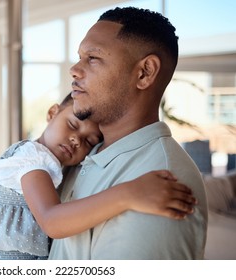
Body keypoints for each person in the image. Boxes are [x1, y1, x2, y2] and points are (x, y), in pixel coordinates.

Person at [49, 7, 208, 260]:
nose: (75, 70)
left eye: (92, 58)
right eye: (79, 57)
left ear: (144, 73)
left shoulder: (163, 183)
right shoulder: (84, 151)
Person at [0, 93, 197, 260]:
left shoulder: (49, 164)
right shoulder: (33, 161)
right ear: (52, 113)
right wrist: (129, 194)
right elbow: (52, 220)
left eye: (89, 142)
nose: (76, 139)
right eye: (73, 125)